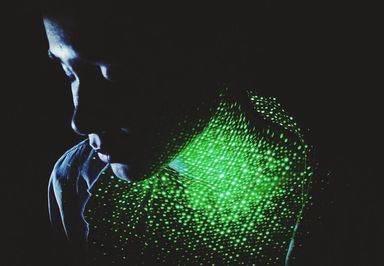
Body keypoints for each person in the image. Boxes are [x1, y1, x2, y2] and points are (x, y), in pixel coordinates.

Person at [42, 1, 314, 265]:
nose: (81, 121)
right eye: (69, 72)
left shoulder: (326, 180)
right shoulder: (76, 180)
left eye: (116, 75)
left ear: (212, 49)